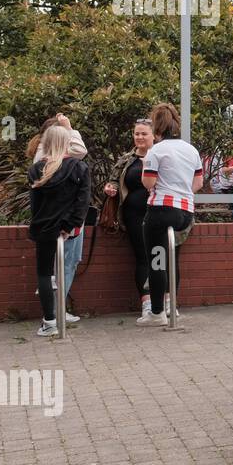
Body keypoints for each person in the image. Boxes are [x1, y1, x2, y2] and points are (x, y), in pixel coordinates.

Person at [139, 103, 204, 325]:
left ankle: (157, 312)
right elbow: (198, 182)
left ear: (157, 125)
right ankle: (172, 306)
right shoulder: (191, 149)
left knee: (157, 261)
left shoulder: (156, 151)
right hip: (185, 211)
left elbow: (149, 181)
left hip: (160, 211)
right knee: (173, 258)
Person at [26, 126, 91, 337]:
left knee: (45, 274)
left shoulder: (36, 169)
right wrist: (70, 226)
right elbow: (82, 203)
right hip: (68, 229)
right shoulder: (79, 168)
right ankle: (57, 316)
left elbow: (35, 206)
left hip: (44, 229)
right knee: (64, 268)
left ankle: (49, 321)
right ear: (67, 143)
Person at [104, 119, 157, 321]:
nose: (140, 137)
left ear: (154, 136)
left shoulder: (161, 156)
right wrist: (110, 188)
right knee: (142, 256)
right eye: (137, 134)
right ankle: (147, 303)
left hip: (159, 213)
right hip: (133, 215)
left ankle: (165, 301)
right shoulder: (127, 159)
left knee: (161, 255)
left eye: (144, 134)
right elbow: (113, 179)